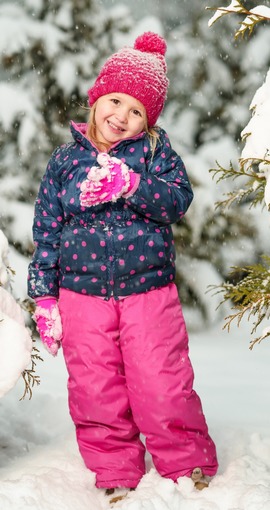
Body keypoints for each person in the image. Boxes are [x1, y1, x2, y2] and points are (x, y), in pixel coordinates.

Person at [28, 31, 218, 501]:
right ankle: (114, 466)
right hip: (82, 297)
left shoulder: (155, 155)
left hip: (148, 292)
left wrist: (132, 184)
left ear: (147, 120)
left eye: (137, 111)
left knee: (162, 381)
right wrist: (45, 296)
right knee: (95, 388)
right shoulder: (66, 161)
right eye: (115, 101)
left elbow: (177, 201)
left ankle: (186, 457)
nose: (122, 117)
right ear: (96, 99)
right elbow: (47, 229)